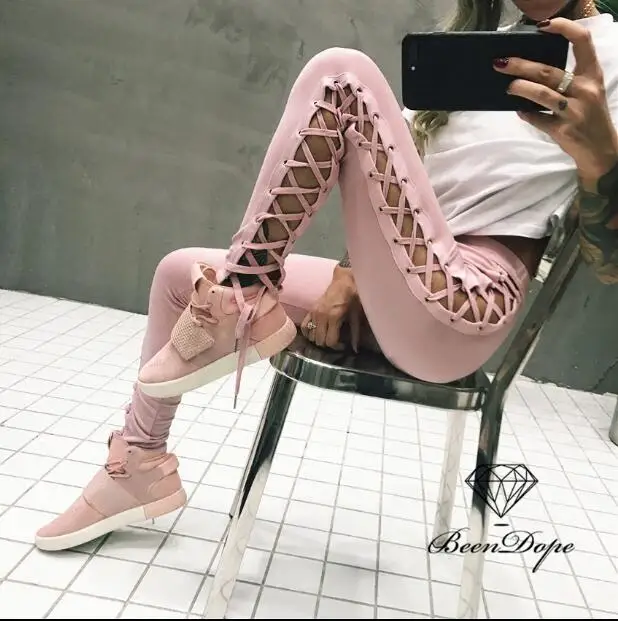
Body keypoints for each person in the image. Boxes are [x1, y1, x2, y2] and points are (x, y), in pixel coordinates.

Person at [36, 0, 618, 552]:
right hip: (407, 282)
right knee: (177, 274)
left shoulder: (612, 54)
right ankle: (139, 465)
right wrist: (349, 270)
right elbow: (394, 190)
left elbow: (610, 264)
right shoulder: (482, 54)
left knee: (341, 75)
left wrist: (600, 159)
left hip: (463, 305)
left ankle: (242, 291)